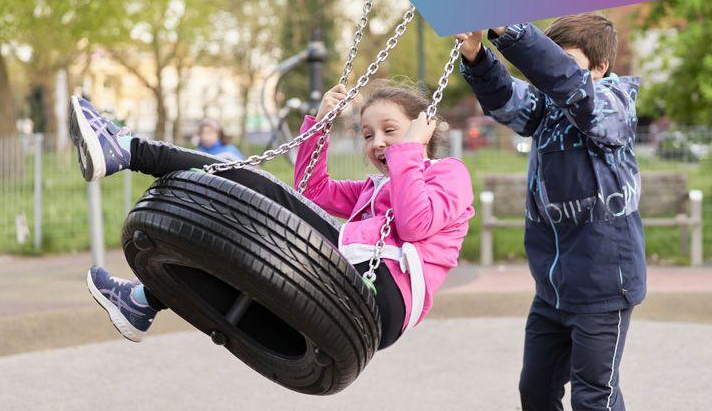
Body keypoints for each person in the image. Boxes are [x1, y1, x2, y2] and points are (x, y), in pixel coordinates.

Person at [70, 81, 474, 349]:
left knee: (251, 185)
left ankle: (129, 151)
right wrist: (322, 124)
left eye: (391, 130)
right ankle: (144, 302)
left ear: (423, 130)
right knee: (235, 267)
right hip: (352, 291)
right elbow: (312, 191)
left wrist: (411, 152)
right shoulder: (374, 190)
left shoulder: (449, 174)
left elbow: (414, 223)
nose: (379, 143)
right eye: (368, 135)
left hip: (381, 293)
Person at [457, 14, 644, 411]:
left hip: (603, 286)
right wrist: (476, 56)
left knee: (595, 395)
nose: (553, 72)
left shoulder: (615, 104)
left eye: (567, 61)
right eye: (551, 57)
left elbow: (572, 89)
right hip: (552, 289)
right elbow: (506, 100)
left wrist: (509, 29)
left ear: (600, 67)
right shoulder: (546, 109)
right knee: (536, 391)